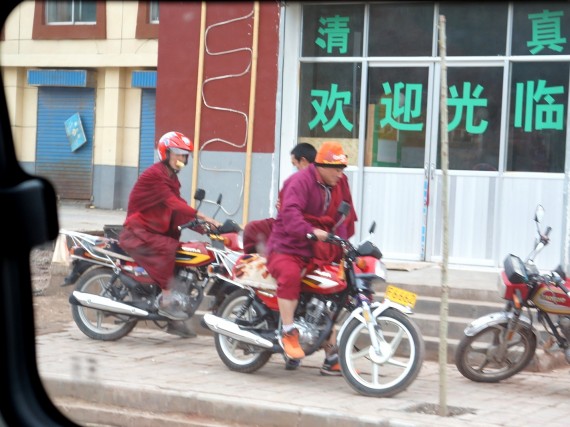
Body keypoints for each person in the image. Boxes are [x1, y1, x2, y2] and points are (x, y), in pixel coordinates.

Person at [264, 141, 357, 375]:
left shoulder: (340, 182)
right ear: (320, 166)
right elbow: (290, 213)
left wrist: (343, 246)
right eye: (336, 169)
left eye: (342, 169)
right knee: (290, 275)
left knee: (333, 291)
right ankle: (288, 332)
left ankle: (331, 353)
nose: (340, 174)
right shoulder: (299, 181)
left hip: (323, 245)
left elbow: (343, 216)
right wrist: (310, 231)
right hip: (290, 244)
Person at [119, 131, 221, 338]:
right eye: (178, 154)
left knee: (184, 253)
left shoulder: (171, 177)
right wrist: (204, 216)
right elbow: (173, 203)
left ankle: (173, 320)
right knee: (168, 247)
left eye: (185, 156)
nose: (182, 159)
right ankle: (166, 299)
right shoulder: (154, 175)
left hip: (155, 227)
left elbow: (176, 210)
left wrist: (205, 228)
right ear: (165, 153)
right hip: (139, 231)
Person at [242, 142, 317, 255]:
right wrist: (283, 209)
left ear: (303, 161)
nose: (295, 168)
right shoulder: (299, 180)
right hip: (287, 223)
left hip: (303, 228)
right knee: (252, 229)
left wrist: (285, 210)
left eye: (295, 164)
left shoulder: (314, 180)